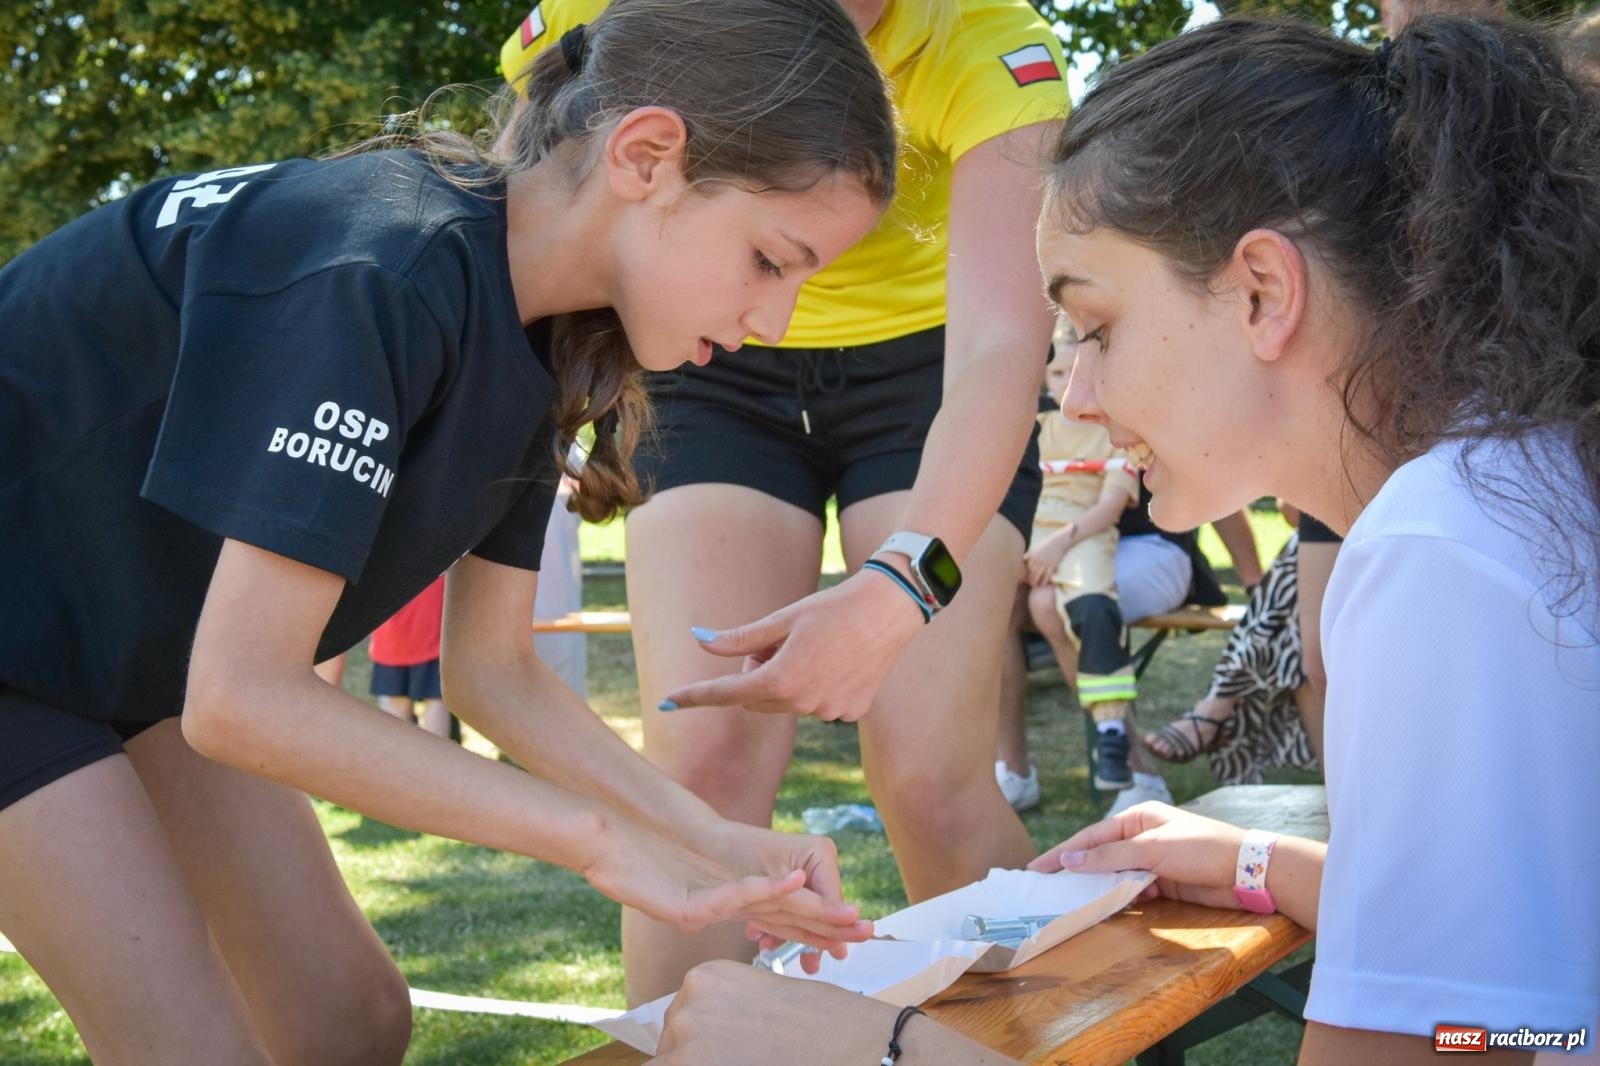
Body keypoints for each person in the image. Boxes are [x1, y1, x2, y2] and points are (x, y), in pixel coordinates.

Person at [651, 13, 1600, 1062]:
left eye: (1094, 328)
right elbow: (1538, 1018)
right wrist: (1275, 870)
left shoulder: (1432, 560)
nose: (1081, 398)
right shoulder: (1511, 491)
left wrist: (888, 1049)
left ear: (1262, 290)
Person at [0, 2, 898, 1060]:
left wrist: (709, 839)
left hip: (124, 645)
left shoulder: (543, 332)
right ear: (646, 156)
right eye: (768, 258)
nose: (774, 322)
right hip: (43, 653)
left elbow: (493, 674)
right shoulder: (386, 261)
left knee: (349, 1018)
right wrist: (599, 843)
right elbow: (244, 699)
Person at [503, 0, 1067, 1003]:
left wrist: (902, 582)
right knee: (697, 770)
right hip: (710, 361)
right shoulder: (615, 15)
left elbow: (1000, 351)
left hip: (929, 373)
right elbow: (530, 189)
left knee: (931, 775)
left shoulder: (988, 39)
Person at [1019, 322, 1141, 790]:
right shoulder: (1033, 428)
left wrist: (1058, 542)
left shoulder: (1117, 435)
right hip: (1026, 528)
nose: (1065, 384)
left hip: (1080, 532)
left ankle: (1111, 732)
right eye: (1056, 372)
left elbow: (1109, 509)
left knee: (1093, 606)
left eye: (1077, 372)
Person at [369, 576, 454, 738]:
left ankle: (401, 761)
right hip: (430, 617)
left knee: (397, 704)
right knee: (435, 699)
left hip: (390, 622)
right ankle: (434, 759)